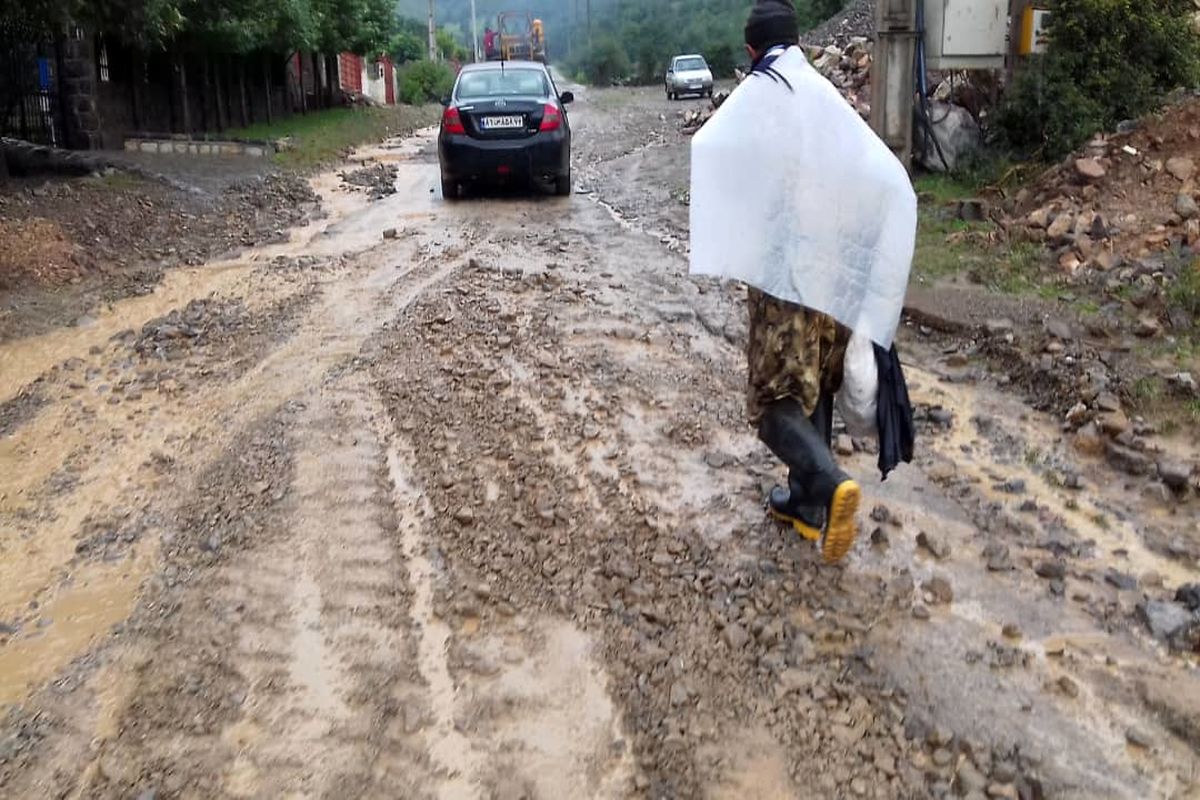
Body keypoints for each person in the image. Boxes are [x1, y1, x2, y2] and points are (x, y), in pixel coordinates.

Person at [689, 0, 917, 564]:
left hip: (785, 277)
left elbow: (711, 148)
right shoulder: (824, 99)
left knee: (772, 401)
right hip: (834, 272)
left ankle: (829, 482)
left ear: (750, 51)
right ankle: (805, 506)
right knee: (813, 380)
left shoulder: (761, 97)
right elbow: (876, 174)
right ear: (799, 41)